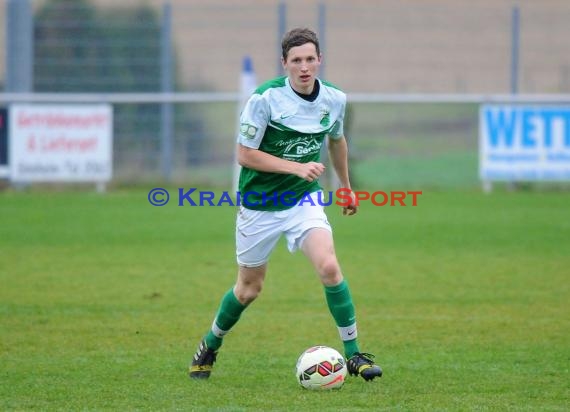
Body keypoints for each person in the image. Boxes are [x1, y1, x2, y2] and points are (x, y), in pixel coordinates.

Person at [189, 27, 382, 382]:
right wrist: (297, 166)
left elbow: (337, 142)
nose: (304, 67)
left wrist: (346, 186)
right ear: (285, 64)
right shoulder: (265, 99)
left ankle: (354, 355)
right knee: (249, 289)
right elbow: (244, 155)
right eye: (297, 61)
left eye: (310, 59)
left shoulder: (334, 99)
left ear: (319, 60)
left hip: (302, 200)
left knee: (329, 268)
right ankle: (210, 343)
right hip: (260, 204)